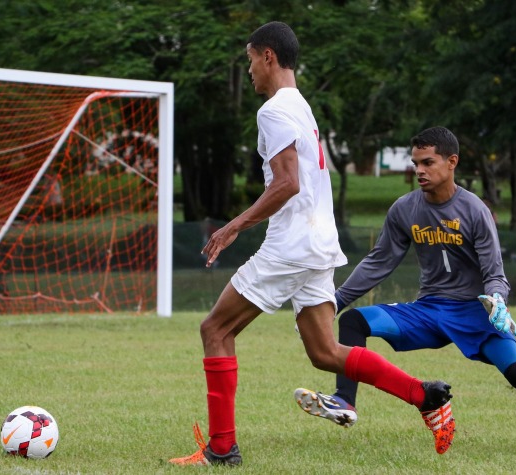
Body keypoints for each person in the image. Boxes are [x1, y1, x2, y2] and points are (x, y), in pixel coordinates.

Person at [168, 23, 454, 467]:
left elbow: (286, 183)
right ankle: (424, 395)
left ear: (268, 56)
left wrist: (233, 227)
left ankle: (222, 448)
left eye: (249, 60)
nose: (248, 71)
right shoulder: (301, 105)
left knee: (215, 330)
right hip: (320, 242)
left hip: (293, 245)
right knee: (325, 353)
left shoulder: (273, 111)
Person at [293, 126, 516, 461]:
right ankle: (345, 401)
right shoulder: (404, 209)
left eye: (428, 162)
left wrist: (497, 302)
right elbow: (379, 262)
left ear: (452, 162)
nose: (419, 170)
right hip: (429, 310)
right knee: (355, 320)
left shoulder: (475, 210)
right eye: (415, 162)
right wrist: (333, 302)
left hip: (475, 313)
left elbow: (495, 272)